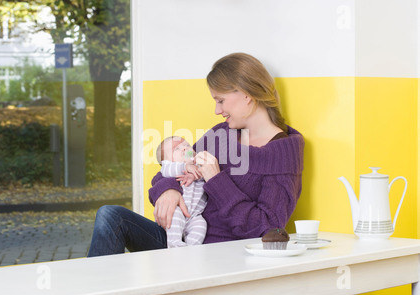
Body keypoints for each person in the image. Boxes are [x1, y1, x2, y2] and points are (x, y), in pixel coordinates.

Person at [87, 52, 304, 257]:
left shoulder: (283, 151)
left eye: (220, 100)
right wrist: (168, 190)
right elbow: (169, 166)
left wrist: (217, 180)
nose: (217, 111)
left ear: (246, 94)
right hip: (178, 240)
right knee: (110, 216)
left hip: (219, 254)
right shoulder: (220, 134)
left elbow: (266, 228)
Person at [157, 136, 207, 247]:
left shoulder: (199, 164)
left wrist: (195, 175)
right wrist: (185, 166)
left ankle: (190, 248)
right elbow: (165, 170)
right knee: (174, 216)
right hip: (177, 210)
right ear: (166, 160)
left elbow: (207, 174)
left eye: (187, 145)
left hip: (194, 215)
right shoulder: (171, 167)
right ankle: (174, 244)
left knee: (201, 226)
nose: (184, 149)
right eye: (177, 149)